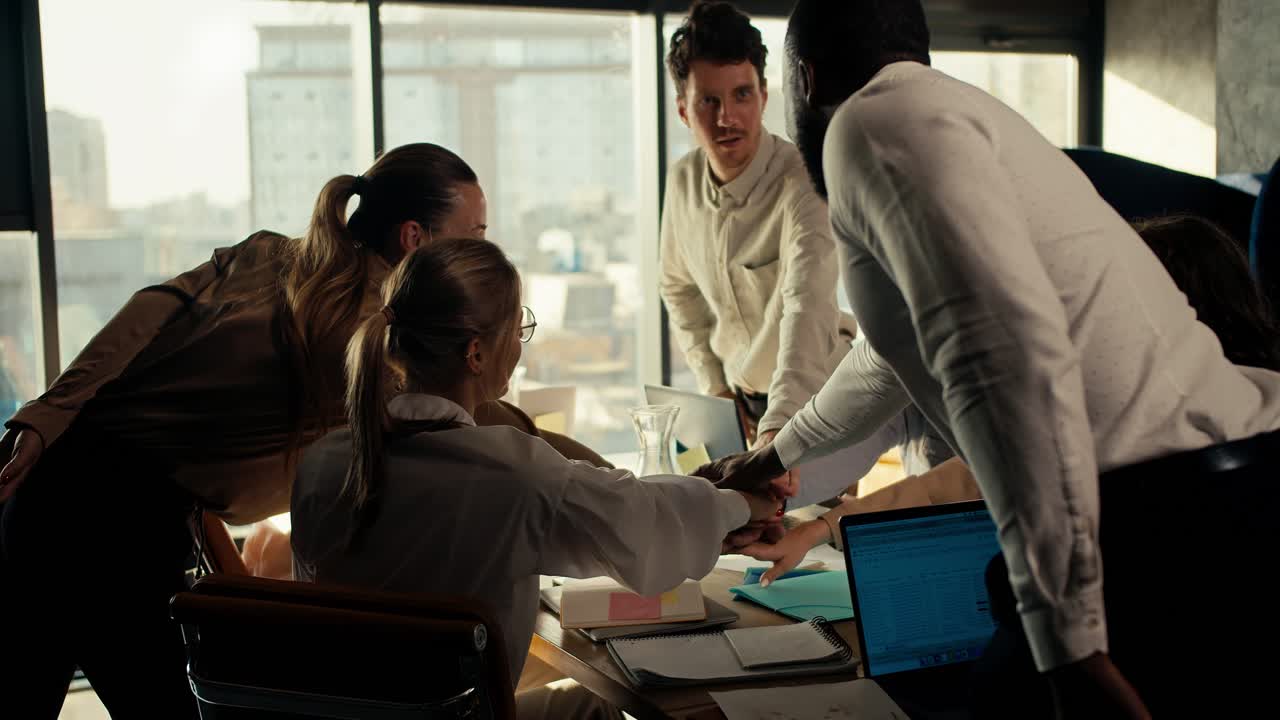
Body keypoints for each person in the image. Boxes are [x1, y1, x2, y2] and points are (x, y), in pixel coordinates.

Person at [701, 1, 1280, 716]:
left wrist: (1067, 643)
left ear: (804, 78)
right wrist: (776, 452)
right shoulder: (944, 120)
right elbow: (889, 357)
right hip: (1201, 492)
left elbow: (1004, 356)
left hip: (1177, 516)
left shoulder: (866, 126)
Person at [0, 143, 600, 718]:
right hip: (101, 526)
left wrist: (48, 412)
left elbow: (157, 310)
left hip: (78, 503)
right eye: (474, 236)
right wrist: (608, 478)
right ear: (414, 238)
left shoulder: (276, 254)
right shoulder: (370, 338)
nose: (481, 253)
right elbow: (504, 432)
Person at [290, 238, 780, 719]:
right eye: (517, 327)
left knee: (589, 703)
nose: (521, 345)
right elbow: (644, 524)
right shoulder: (510, 473)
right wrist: (745, 504)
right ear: (477, 353)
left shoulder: (322, 465)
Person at [659, 0, 856, 447]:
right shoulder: (682, 180)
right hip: (739, 400)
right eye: (709, 101)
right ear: (684, 111)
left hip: (818, 389)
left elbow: (806, 306)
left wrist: (779, 425)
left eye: (742, 95)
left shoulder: (805, 177)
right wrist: (715, 387)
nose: (727, 118)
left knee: (819, 518)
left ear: (764, 96)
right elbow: (677, 287)